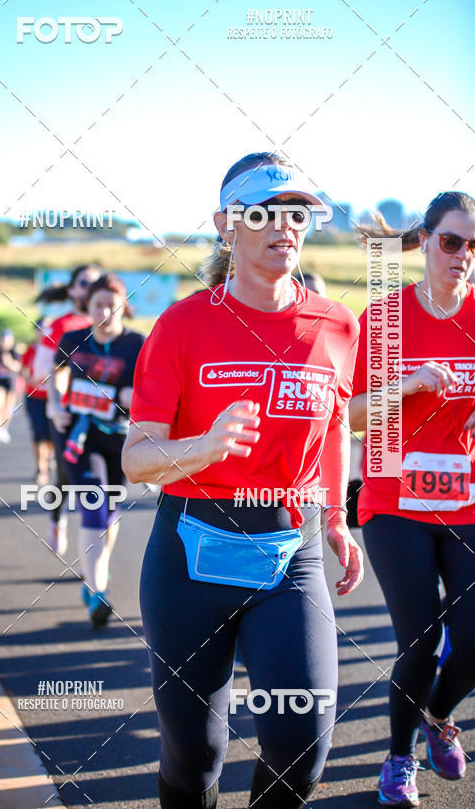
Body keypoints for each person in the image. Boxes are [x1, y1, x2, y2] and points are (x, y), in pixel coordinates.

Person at [122, 151, 364, 808]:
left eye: (297, 213)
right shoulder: (183, 325)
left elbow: (337, 424)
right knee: (196, 756)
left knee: (302, 744)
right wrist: (202, 446)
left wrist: (339, 517)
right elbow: (137, 459)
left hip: (293, 555)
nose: (284, 225)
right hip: (189, 559)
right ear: (227, 223)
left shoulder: (339, 324)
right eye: (263, 212)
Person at [349, 191, 475, 807]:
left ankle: (438, 715)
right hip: (394, 498)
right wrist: (409, 384)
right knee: (421, 639)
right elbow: (349, 417)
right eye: (452, 241)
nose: (462, 255)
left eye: (473, 246)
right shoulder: (385, 319)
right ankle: (399, 761)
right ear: (424, 241)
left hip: (465, 503)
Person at [47, 273, 145, 625]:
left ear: (123, 306)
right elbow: (54, 375)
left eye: (111, 303)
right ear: (87, 307)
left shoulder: (137, 343)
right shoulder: (73, 339)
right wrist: (55, 405)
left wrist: (131, 397)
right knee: (94, 499)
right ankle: (97, 591)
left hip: (118, 436)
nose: (104, 310)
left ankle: (94, 574)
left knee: (111, 508)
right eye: (97, 304)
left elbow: (149, 389)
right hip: (76, 432)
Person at [34, 264, 102, 553]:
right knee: (65, 476)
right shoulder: (60, 327)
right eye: (84, 282)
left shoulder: (108, 323)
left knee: (101, 480)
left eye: (96, 283)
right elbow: (40, 372)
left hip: (102, 414)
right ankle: (57, 519)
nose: (90, 288)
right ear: (73, 290)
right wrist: (58, 401)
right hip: (65, 413)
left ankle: (96, 561)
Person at [21, 322, 53, 485]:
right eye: (41, 328)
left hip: (53, 398)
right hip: (34, 398)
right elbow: (24, 371)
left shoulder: (56, 349)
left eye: (48, 329)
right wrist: (31, 380)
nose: (44, 332)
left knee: (51, 435)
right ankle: (41, 469)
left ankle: (48, 460)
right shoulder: (31, 350)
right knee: (39, 433)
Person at [0, 330, 22, 443]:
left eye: (7, 341)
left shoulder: (14, 353)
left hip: (10, 384)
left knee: (8, 408)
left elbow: (19, 367)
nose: (4, 343)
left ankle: (4, 429)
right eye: (2, 340)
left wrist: (9, 363)